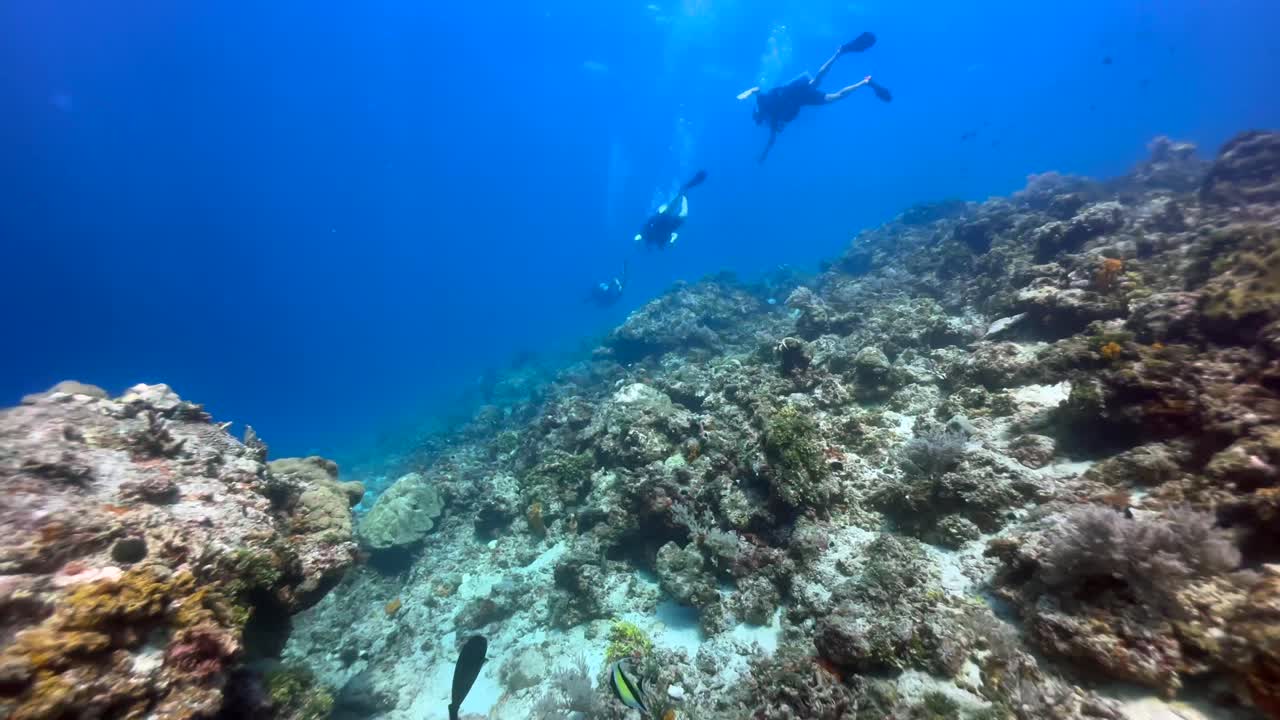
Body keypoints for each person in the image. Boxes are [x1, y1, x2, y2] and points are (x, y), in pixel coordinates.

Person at [737, 32, 891, 163]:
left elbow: (757, 90)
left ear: (758, 115)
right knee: (833, 95)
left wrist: (747, 93)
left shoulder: (764, 104)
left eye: (759, 121)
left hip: (793, 91)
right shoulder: (773, 119)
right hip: (801, 100)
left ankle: (840, 54)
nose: (762, 122)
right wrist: (764, 154)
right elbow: (771, 140)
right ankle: (864, 81)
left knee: (818, 84)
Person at [635, 170, 708, 250]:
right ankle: (683, 195)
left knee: (675, 209)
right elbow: (672, 235)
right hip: (668, 223)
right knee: (683, 214)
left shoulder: (649, 236)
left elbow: (646, 226)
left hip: (662, 219)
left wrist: (639, 235)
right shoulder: (657, 240)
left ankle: (682, 194)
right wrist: (672, 240)